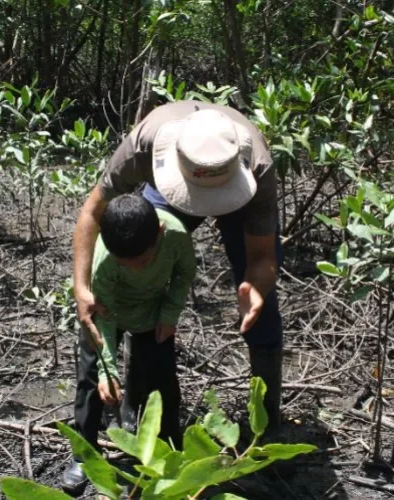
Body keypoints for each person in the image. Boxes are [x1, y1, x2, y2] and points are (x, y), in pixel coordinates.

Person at [64, 101, 284, 491]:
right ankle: (124, 418)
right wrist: (82, 287)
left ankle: (264, 430)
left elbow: (263, 257)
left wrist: (256, 286)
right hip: (173, 190)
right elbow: (93, 212)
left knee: (262, 316)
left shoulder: (259, 167)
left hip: (240, 192)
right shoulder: (145, 144)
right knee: (139, 243)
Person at [62, 193, 196, 494]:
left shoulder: (174, 235)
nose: (135, 268)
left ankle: (169, 452)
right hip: (109, 313)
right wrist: (109, 370)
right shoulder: (103, 261)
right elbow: (103, 322)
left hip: (153, 312)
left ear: (158, 234)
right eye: (127, 264)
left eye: (143, 261)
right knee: (91, 377)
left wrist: (170, 313)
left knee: (162, 383)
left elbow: (184, 272)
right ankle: (84, 455)